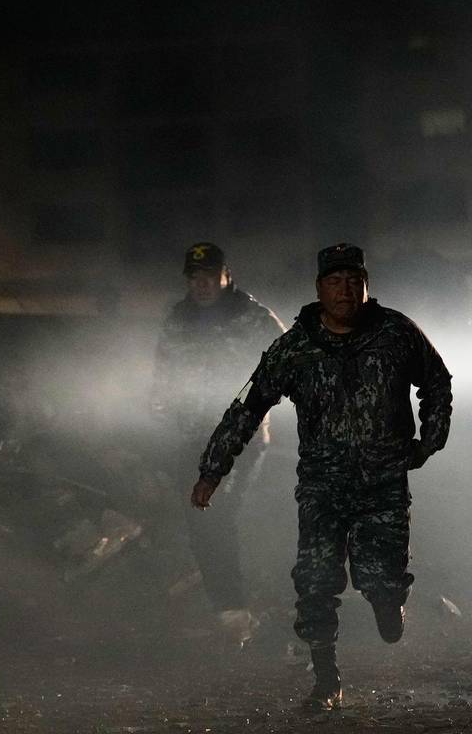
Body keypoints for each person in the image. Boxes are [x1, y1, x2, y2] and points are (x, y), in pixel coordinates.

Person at [190, 243, 452, 711]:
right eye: (336, 282)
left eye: (354, 281)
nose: (346, 291)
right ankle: (326, 681)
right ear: (320, 289)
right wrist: (214, 469)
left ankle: (388, 603)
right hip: (322, 486)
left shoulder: (396, 332)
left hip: (382, 484)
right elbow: (248, 408)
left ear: (366, 285)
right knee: (315, 581)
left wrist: (428, 442)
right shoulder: (296, 347)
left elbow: (436, 380)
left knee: (382, 581)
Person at [149, 242, 285, 642]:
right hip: (192, 435)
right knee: (201, 518)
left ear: (227, 275)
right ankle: (227, 605)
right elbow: (163, 371)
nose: (202, 285)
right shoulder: (179, 318)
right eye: (195, 278)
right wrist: (162, 410)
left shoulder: (253, 316)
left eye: (210, 276)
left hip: (240, 436)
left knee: (218, 512)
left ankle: (233, 607)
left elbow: (287, 362)